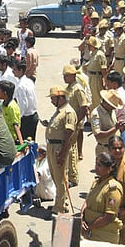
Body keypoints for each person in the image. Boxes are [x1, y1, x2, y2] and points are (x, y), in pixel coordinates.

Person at [43, 85, 76, 215]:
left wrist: (63, 153)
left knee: (61, 178)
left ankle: (59, 207)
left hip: (59, 148)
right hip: (52, 146)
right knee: (56, 176)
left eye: (53, 98)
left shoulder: (68, 112)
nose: (51, 101)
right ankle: (63, 202)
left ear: (60, 98)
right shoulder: (59, 110)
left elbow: (69, 134)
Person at [81, 152, 123, 243]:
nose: (96, 167)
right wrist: (81, 218)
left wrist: (89, 227)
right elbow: (87, 201)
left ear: (110, 168)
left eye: (99, 165)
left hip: (104, 235)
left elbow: (109, 217)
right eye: (96, 164)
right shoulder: (96, 182)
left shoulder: (113, 188)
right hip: (89, 232)